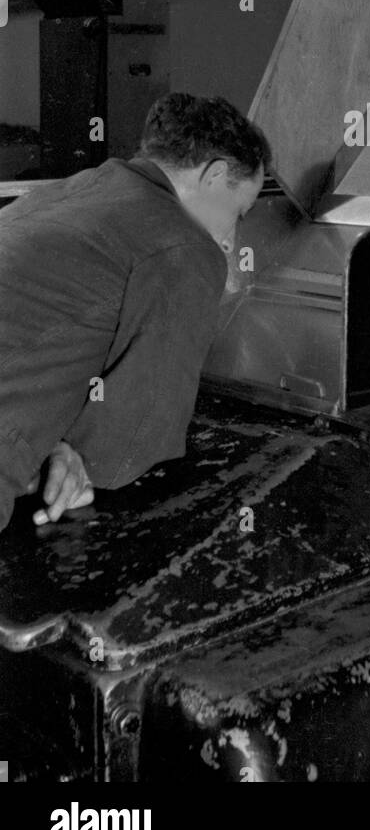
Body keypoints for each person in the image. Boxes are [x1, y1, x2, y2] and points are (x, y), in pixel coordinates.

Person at [0, 92, 268, 533]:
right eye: (239, 211)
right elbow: (135, 436)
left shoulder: (70, 191)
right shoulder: (185, 246)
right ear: (215, 175)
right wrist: (84, 456)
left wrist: (64, 442)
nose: (231, 233)